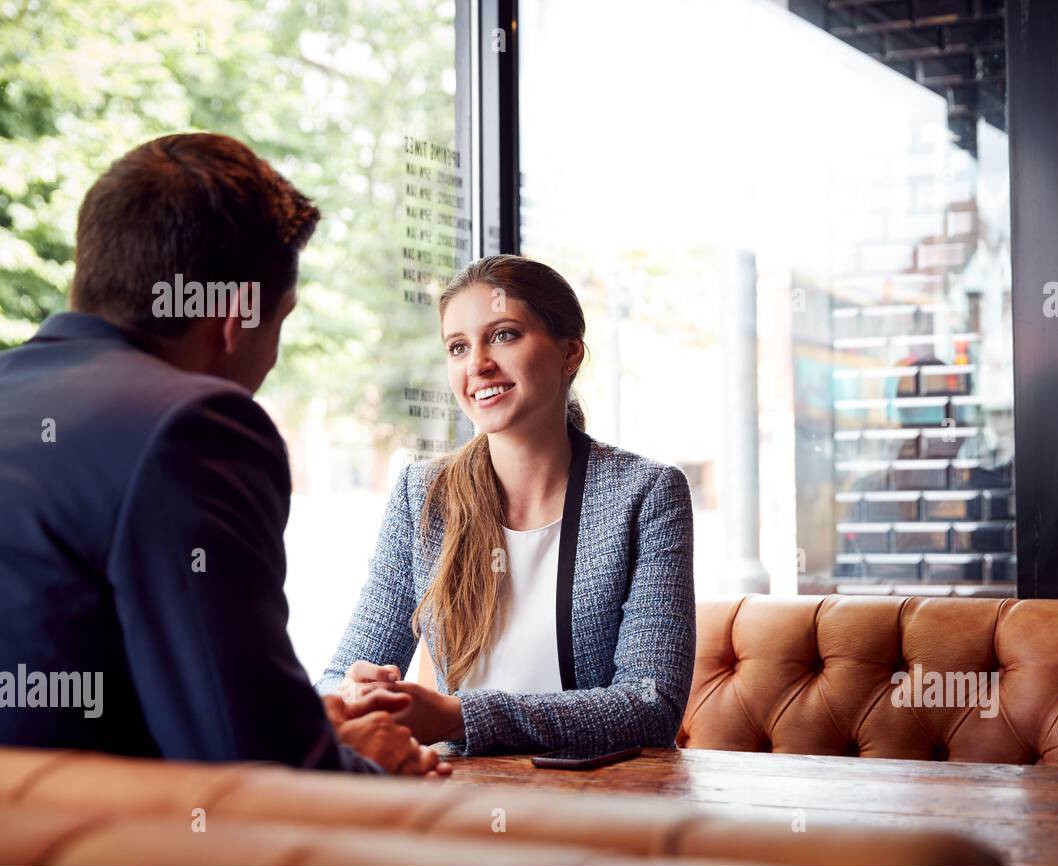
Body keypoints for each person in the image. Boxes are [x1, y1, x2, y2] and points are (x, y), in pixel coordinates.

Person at [0, 132, 448, 777]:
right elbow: (253, 768)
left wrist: (300, 725)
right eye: (281, 320)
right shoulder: (192, 426)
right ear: (236, 317)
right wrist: (365, 770)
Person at [317, 255, 697, 756]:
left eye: (504, 335)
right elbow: (337, 677)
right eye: (458, 347)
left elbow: (649, 706)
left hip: (605, 804)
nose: (477, 364)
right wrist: (356, 693)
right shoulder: (423, 495)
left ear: (570, 354)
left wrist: (458, 717)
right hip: (462, 797)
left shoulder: (646, 494)